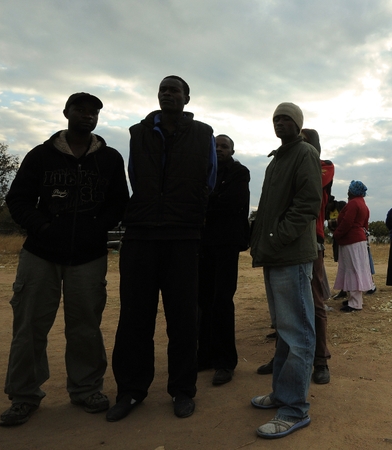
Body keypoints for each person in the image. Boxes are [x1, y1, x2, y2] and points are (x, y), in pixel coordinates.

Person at [0, 92, 129, 426]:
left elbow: (119, 203)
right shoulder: (42, 155)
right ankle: (24, 396)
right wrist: (42, 226)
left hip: (88, 256)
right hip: (40, 254)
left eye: (93, 112)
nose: (87, 116)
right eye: (80, 110)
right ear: (66, 112)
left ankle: (86, 389)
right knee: (29, 326)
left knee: (86, 326)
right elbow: (18, 199)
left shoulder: (111, 159)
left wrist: (98, 228)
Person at [108, 76, 217, 422]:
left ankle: (182, 391)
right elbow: (134, 177)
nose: (167, 94)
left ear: (187, 98)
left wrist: (185, 210)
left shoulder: (203, 134)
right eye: (163, 89)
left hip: (183, 236)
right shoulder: (137, 133)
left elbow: (209, 180)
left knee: (183, 318)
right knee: (134, 318)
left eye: (174, 90)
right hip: (141, 234)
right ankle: (130, 391)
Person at [249, 102, 321, 439]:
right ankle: (281, 393)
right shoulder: (277, 158)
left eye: (286, 117)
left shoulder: (304, 152)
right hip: (277, 255)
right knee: (284, 331)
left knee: (298, 333)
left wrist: (277, 236)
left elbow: (308, 203)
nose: (280, 122)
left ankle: (294, 410)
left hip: (291, 255)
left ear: (299, 124)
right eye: (276, 117)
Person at [197, 134, 250, 386]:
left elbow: (232, 203)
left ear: (232, 150)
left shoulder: (240, 172)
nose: (219, 149)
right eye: (215, 146)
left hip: (226, 244)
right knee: (202, 300)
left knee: (222, 300)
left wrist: (206, 202)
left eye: (224, 146)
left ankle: (225, 362)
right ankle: (205, 355)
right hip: (203, 243)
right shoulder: (202, 170)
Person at [303, 128, 334, 384]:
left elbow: (309, 184)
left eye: (305, 142)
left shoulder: (325, 167)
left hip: (313, 240)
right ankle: (285, 355)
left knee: (315, 302)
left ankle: (320, 360)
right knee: (285, 302)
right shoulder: (283, 163)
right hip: (287, 240)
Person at [333, 180, 373, 312]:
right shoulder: (363, 204)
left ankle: (355, 303)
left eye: (349, 189)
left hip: (351, 240)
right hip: (359, 240)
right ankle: (355, 299)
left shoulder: (353, 204)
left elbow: (347, 222)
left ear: (352, 191)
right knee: (358, 269)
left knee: (352, 269)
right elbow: (365, 224)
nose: (347, 192)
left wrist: (336, 234)